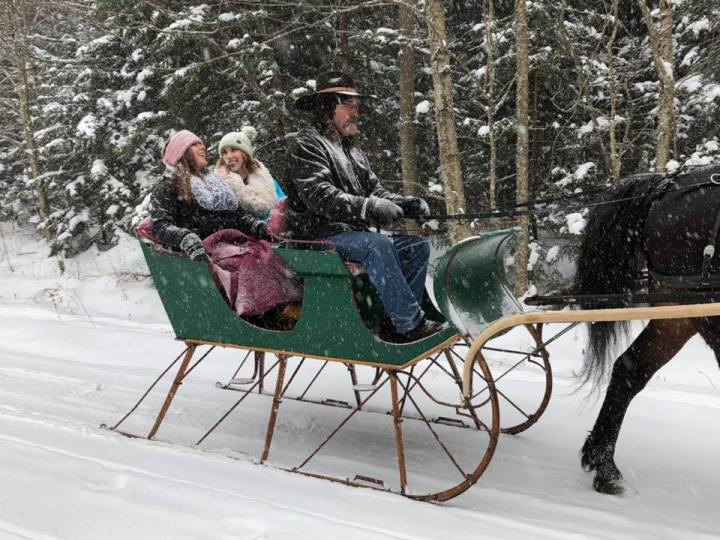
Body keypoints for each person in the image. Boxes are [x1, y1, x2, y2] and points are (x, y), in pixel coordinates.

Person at [285, 71, 445, 341]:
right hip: (317, 236)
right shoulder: (307, 146)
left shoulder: (352, 152)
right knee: (378, 246)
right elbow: (320, 197)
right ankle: (408, 324)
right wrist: (368, 208)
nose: (356, 113)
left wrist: (405, 205)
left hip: (353, 235)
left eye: (357, 106)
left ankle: (392, 319)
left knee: (415, 247)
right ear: (327, 108)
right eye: (348, 106)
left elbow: (375, 191)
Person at [150, 129, 269, 261]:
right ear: (181, 153)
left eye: (201, 143)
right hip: (208, 255)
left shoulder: (216, 183)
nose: (203, 146)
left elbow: (238, 216)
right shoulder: (167, 187)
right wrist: (185, 238)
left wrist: (258, 227)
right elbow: (161, 226)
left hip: (237, 244)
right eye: (195, 144)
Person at [215, 126, 285, 220]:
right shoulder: (220, 185)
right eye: (224, 153)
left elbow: (283, 205)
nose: (229, 156)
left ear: (245, 153)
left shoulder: (265, 178)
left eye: (234, 150)